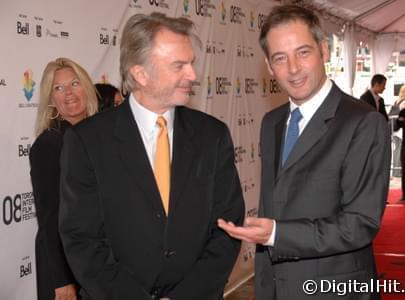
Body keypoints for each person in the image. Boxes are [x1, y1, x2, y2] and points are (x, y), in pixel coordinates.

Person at [58, 12, 244, 300]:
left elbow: (228, 227)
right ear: (140, 74)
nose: (193, 75)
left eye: (191, 63)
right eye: (178, 66)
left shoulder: (212, 135)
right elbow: (82, 240)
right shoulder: (87, 141)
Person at [218, 5, 390, 300]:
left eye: (303, 52)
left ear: (324, 51)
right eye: (280, 58)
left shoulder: (362, 122)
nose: (293, 68)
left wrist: (275, 235)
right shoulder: (271, 123)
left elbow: (360, 224)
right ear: (269, 66)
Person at [29, 57, 98, 300]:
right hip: (64, 266)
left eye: (74, 83)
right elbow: (49, 216)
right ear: (51, 99)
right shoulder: (49, 144)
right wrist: (63, 281)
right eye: (58, 88)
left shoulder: (97, 136)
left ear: (87, 87)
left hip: (95, 260)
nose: (68, 93)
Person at [390, 85, 405, 177]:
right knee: (400, 151)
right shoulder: (404, 103)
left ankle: (396, 171)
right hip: (401, 131)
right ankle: (398, 171)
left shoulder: (396, 101)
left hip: (395, 130)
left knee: (397, 150)